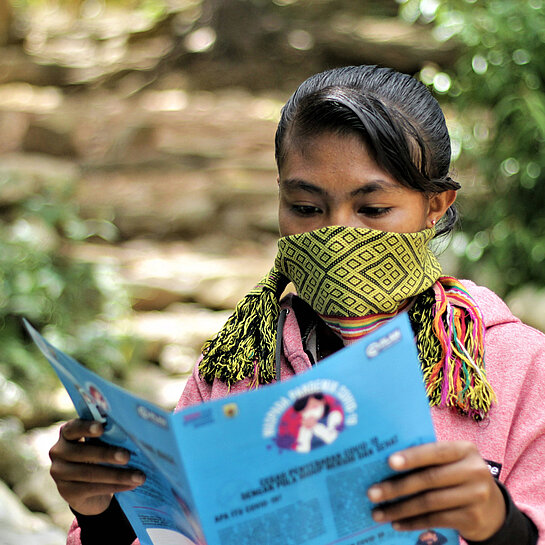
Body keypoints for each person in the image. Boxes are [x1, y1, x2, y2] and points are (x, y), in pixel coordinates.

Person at [49, 65, 545, 545]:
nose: (338, 235)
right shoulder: (235, 370)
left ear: (434, 207)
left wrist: (499, 526)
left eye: (372, 209)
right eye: (307, 208)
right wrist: (103, 515)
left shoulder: (520, 369)